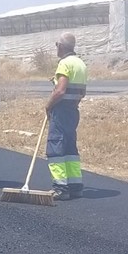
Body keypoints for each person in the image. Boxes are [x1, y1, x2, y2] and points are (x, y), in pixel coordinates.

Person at [44, 32, 87, 200]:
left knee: (55, 147)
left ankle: (60, 187)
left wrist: (48, 106)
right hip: (73, 110)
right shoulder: (81, 64)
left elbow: (60, 90)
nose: (56, 48)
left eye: (56, 45)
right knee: (70, 147)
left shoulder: (64, 63)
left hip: (61, 111)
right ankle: (75, 186)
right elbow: (82, 91)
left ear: (61, 46)